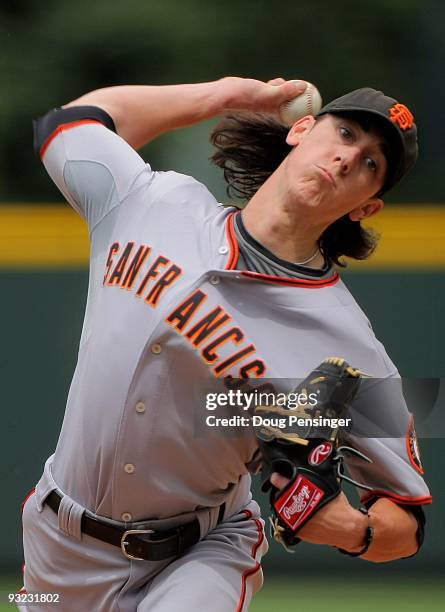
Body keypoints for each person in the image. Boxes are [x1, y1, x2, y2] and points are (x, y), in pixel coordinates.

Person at [22, 77, 431, 611]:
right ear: (302, 130)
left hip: (199, 554)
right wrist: (227, 96)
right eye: (346, 132)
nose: (350, 156)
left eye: (373, 163)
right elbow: (68, 123)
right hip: (56, 545)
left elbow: (407, 518)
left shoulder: (346, 348)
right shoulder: (153, 201)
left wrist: (353, 529)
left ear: (365, 207)